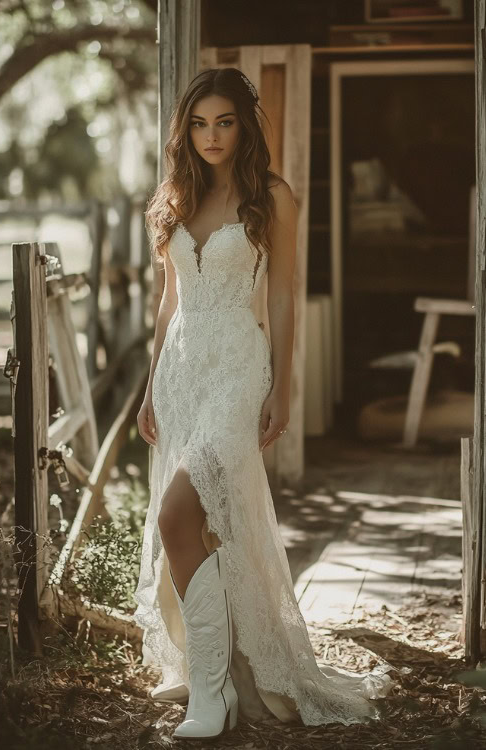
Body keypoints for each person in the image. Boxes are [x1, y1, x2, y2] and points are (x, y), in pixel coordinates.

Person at [134, 67, 394, 741]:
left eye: (224, 122)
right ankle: (215, 683)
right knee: (198, 525)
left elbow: (281, 294)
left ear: (244, 124)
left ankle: (218, 691)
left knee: (177, 513)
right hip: (183, 368)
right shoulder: (175, 197)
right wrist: (147, 383)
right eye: (198, 123)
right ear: (184, 131)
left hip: (239, 366)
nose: (211, 136)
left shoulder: (273, 196)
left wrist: (283, 383)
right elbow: (167, 302)